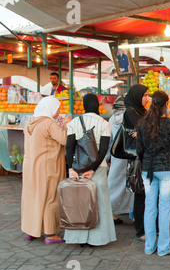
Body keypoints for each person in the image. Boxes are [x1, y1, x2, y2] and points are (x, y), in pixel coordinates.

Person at [64, 94, 116, 246]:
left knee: (80, 203)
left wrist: (70, 168)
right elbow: (103, 150)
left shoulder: (74, 122)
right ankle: (98, 239)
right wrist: (93, 169)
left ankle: (79, 238)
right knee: (100, 202)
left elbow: (69, 147)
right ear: (97, 105)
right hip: (98, 168)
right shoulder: (104, 123)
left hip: (79, 167)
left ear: (85, 105)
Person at [21, 96, 71, 244]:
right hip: (47, 167)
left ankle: (32, 230)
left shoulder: (30, 122)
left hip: (31, 167)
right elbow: (64, 139)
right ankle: (50, 234)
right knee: (50, 198)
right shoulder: (48, 123)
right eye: (57, 108)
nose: (59, 111)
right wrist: (66, 125)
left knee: (33, 198)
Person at [137, 91, 170, 256]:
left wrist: (148, 159)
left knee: (150, 207)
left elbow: (139, 150)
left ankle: (149, 247)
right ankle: (163, 248)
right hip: (167, 169)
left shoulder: (142, 124)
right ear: (165, 106)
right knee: (164, 209)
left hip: (148, 169)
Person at [123, 84, 149, 242]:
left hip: (145, 155)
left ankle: (144, 226)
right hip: (136, 158)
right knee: (141, 193)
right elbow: (144, 128)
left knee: (146, 193)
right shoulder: (131, 111)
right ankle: (140, 230)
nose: (147, 98)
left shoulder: (142, 111)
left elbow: (143, 131)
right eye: (145, 95)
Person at [106, 95, 134, 224]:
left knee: (114, 184)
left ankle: (110, 213)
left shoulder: (112, 119)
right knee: (131, 186)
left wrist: (107, 157)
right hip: (131, 155)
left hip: (117, 157)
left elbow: (110, 140)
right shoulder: (131, 118)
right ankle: (133, 214)